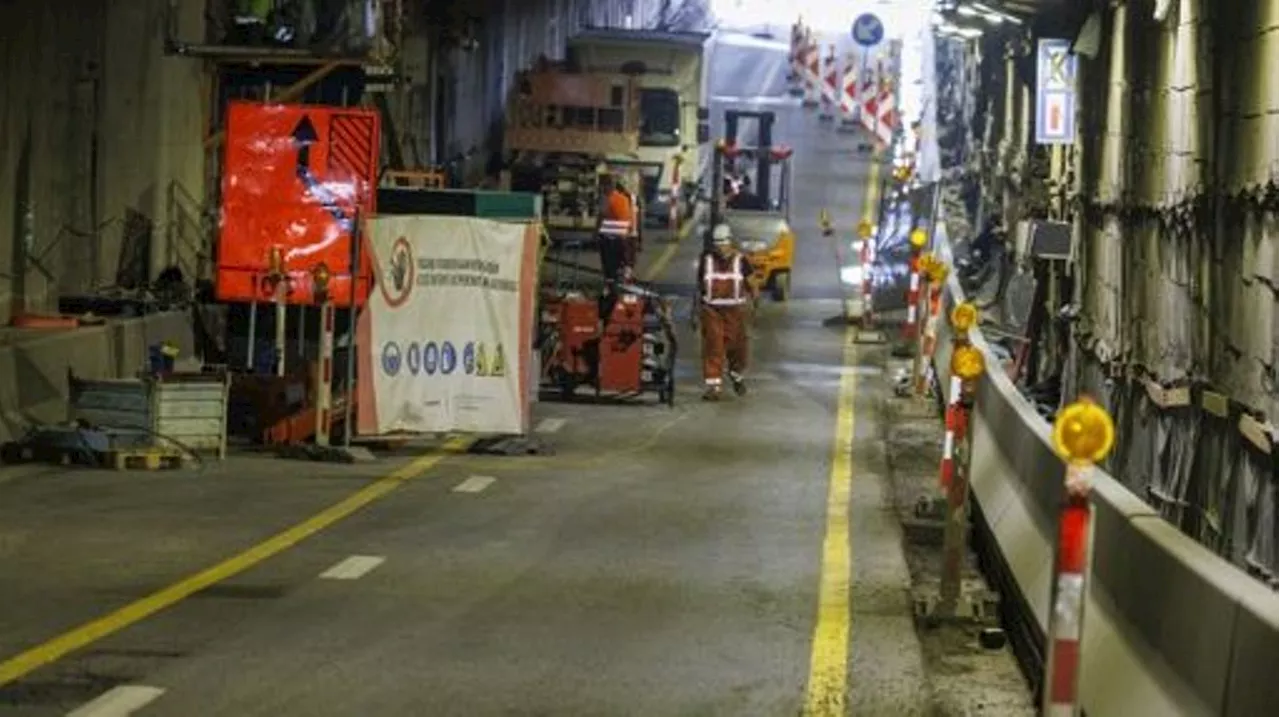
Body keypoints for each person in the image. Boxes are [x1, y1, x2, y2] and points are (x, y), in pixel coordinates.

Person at [695, 223, 754, 401]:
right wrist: (695, 312)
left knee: (737, 347)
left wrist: (754, 305)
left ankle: (736, 375)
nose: (719, 246)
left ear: (730, 242)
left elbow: (751, 282)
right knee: (714, 346)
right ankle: (714, 386)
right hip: (712, 311)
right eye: (716, 243)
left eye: (722, 242)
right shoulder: (706, 260)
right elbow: (699, 286)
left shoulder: (741, 260)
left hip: (735, 311)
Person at [596, 172, 635, 284]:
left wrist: (595, 233)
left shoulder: (606, 198)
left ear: (606, 185)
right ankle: (623, 278)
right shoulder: (623, 198)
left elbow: (601, 216)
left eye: (602, 185)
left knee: (609, 265)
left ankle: (610, 284)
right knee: (621, 262)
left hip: (609, 237)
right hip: (623, 236)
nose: (601, 188)